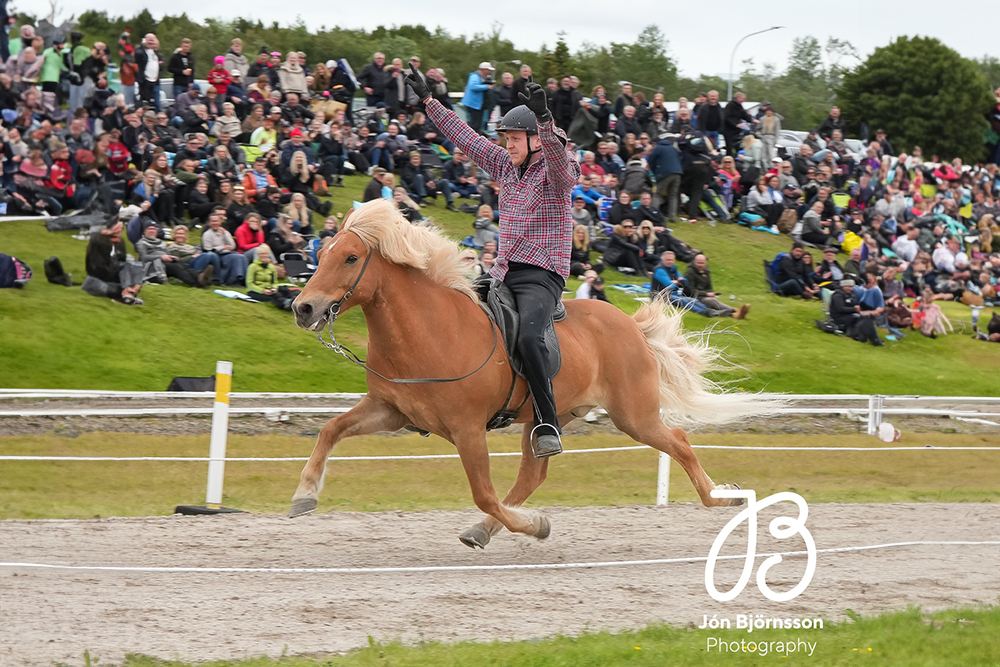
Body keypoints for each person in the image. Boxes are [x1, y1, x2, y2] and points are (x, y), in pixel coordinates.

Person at [406, 65, 579, 457]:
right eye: (507, 138)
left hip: (541, 274)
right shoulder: (505, 166)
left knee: (531, 336)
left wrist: (547, 121)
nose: (509, 144)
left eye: (516, 138)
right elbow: (464, 137)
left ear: (536, 141)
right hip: (501, 271)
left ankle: (547, 421)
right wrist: (430, 100)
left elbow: (557, 158)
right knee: (449, 312)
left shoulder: (558, 172)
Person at [83, 218, 144, 305]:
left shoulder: (120, 242)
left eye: (121, 228)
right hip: (100, 273)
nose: (119, 230)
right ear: (110, 228)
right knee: (125, 266)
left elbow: (122, 259)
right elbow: (99, 264)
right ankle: (127, 292)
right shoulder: (98, 239)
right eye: (117, 227)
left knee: (139, 265)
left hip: (115, 273)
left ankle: (132, 290)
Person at [135, 220, 213, 287]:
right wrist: (161, 257)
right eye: (149, 229)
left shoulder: (161, 242)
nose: (152, 231)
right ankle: (196, 284)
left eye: (154, 229)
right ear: (144, 231)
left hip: (165, 262)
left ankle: (201, 277)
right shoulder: (142, 243)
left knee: (184, 265)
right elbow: (143, 258)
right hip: (153, 266)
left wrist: (171, 257)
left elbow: (166, 253)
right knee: (176, 268)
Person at [684, 254, 748, 318]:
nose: (700, 265)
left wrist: (711, 293)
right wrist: (706, 294)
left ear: (705, 263)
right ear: (695, 262)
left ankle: (735, 312)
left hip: (704, 296)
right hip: (695, 297)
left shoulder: (706, 271)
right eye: (698, 263)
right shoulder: (690, 272)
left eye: (702, 263)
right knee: (711, 301)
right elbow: (690, 290)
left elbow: (709, 286)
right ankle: (734, 311)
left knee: (713, 301)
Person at [200, 208, 249, 284]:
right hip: (217, 255)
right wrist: (222, 247)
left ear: (220, 222)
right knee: (237, 257)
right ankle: (235, 280)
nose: (215, 223)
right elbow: (208, 249)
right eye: (213, 221)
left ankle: (244, 279)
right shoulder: (207, 234)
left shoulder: (224, 232)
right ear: (209, 223)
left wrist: (226, 234)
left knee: (242, 257)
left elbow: (232, 245)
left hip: (227, 253)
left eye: (217, 221)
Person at [829, 279, 883, 346]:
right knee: (864, 318)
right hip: (839, 317)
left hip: (849, 314)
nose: (851, 289)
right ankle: (872, 338)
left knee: (868, 316)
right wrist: (854, 309)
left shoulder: (850, 294)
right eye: (849, 287)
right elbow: (840, 309)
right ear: (844, 286)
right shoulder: (837, 295)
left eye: (852, 287)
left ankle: (869, 337)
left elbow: (854, 304)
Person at [460, 61, 494, 132]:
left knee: (477, 124)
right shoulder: (474, 76)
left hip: (477, 105)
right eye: (488, 70)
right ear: (483, 69)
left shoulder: (480, 77)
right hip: (473, 104)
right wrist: (487, 86)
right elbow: (473, 86)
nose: (489, 72)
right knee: (474, 124)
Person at [722, 92, 756, 157]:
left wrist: (751, 120)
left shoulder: (739, 106)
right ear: (738, 98)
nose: (743, 101)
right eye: (742, 99)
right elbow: (727, 118)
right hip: (728, 130)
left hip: (736, 131)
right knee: (730, 146)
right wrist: (735, 125)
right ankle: (730, 157)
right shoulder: (730, 105)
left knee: (736, 145)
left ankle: (735, 157)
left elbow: (744, 114)